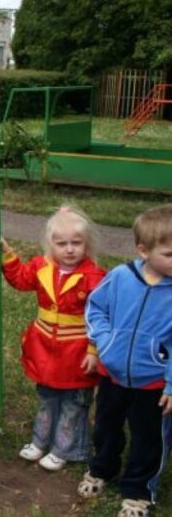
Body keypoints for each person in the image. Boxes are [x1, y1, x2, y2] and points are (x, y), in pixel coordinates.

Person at [78, 204, 172, 517]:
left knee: (148, 440)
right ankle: (101, 469)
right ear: (143, 250)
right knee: (106, 426)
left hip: (154, 383)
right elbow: (95, 308)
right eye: (170, 254)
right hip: (112, 374)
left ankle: (138, 492)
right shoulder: (121, 277)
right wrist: (104, 340)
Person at [0, 205, 106, 471]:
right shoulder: (41, 266)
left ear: (86, 244)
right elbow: (21, 280)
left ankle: (66, 448)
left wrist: (94, 350)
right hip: (45, 347)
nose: (69, 249)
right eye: (61, 243)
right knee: (46, 397)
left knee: (73, 402)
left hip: (76, 350)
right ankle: (40, 441)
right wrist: (8, 256)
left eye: (76, 243)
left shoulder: (94, 277)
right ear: (50, 244)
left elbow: (101, 316)